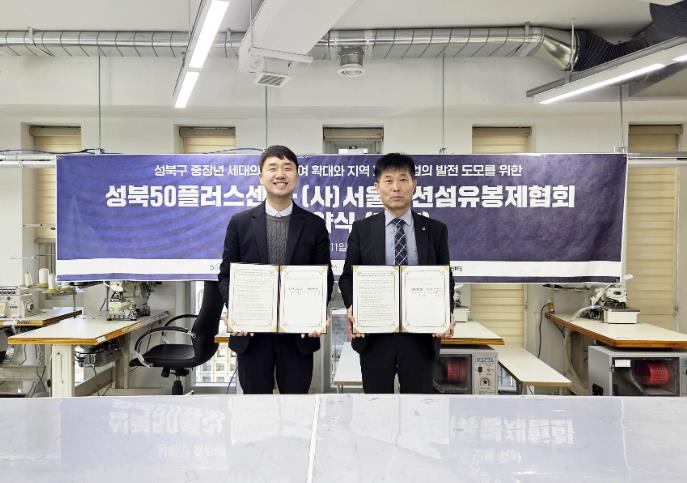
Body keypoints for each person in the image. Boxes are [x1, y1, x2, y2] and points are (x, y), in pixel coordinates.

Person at [218, 145, 334, 394]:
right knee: (255, 407)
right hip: (251, 334)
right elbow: (226, 275)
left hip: (298, 335)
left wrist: (315, 312)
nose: (280, 174)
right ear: (261, 176)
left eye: (287, 168)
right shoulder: (240, 223)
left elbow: (324, 276)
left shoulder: (314, 225)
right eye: (272, 168)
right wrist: (235, 309)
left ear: (297, 176)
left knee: (296, 406)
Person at [339, 153, 455, 394]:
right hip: (374, 334)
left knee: (419, 403)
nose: (396, 187)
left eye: (403, 179)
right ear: (377, 187)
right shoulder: (362, 230)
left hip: (420, 335)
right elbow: (348, 277)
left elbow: (446, 279)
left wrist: (447, 312)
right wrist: (353, 306)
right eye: (388, 180)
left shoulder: (435, 230)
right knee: (376, 403)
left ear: (414, 185)